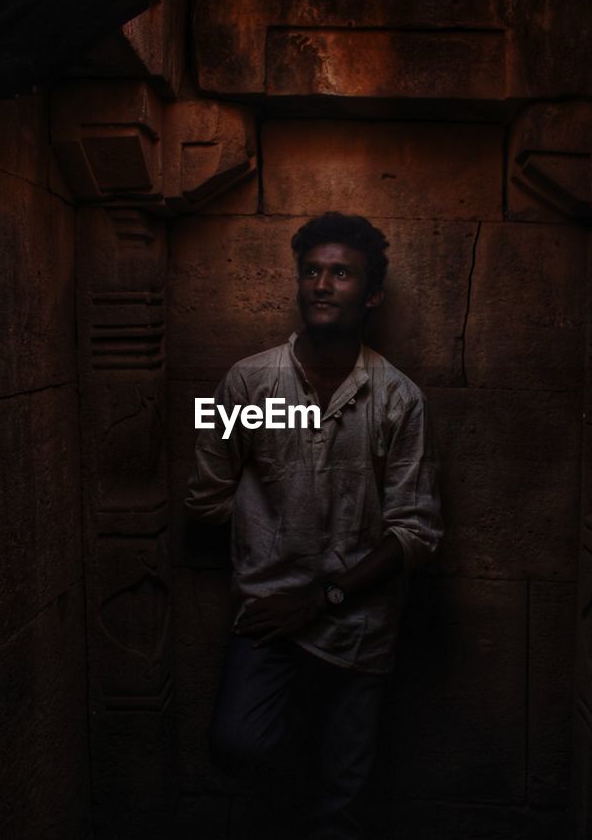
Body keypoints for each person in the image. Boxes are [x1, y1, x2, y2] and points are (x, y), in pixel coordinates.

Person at [185, 212, 443, 839]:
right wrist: (269, 545)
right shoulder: (245, 383)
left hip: (359, 627)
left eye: (341, 273)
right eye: (311, 271)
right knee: (240, 747)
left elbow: (418, 532)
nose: (323, 284)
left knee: (343, 802)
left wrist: (324, 596)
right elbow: (205, 497)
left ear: (371, 294)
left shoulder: (399, 398)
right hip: (268, 617)